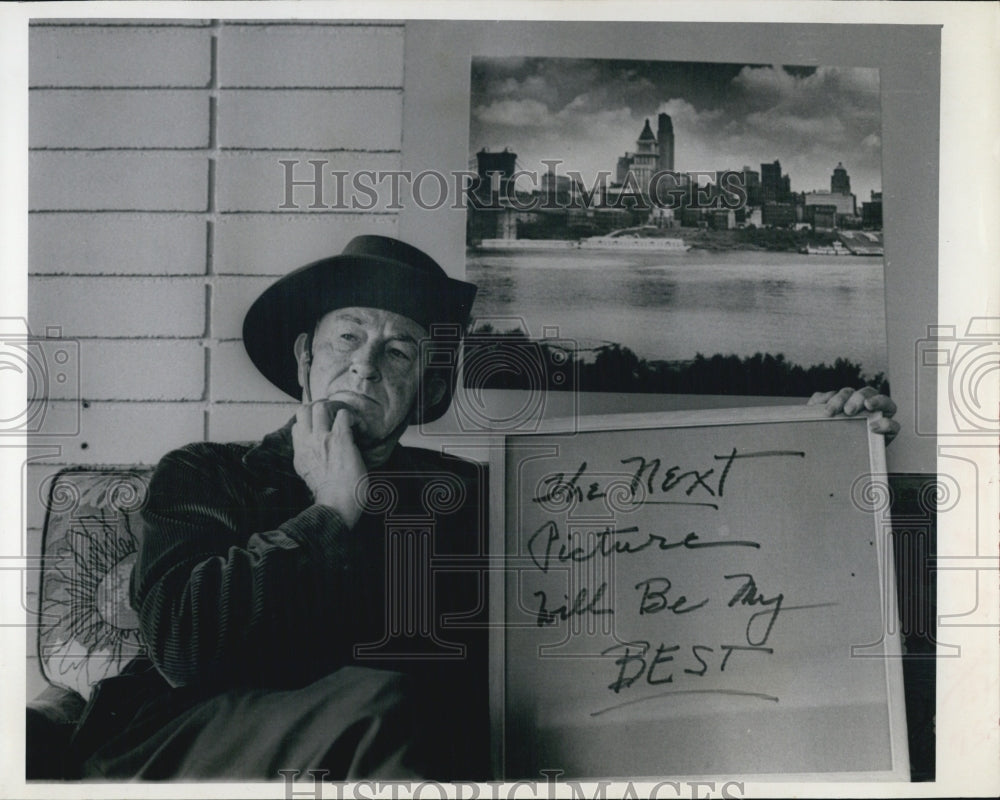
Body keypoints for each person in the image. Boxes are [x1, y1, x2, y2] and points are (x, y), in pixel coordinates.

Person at [67, 234, 898, 781]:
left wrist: (821, 448)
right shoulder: (206, 475)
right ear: (304, 358)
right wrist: (330, 511)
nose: (366, 365)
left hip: (409, 762)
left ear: (429, 385)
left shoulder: (470, 497)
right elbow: (183, 643)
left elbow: (658, 558)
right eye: (347, 339)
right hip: (187, 751)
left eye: (398, 351)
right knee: (384, 700)